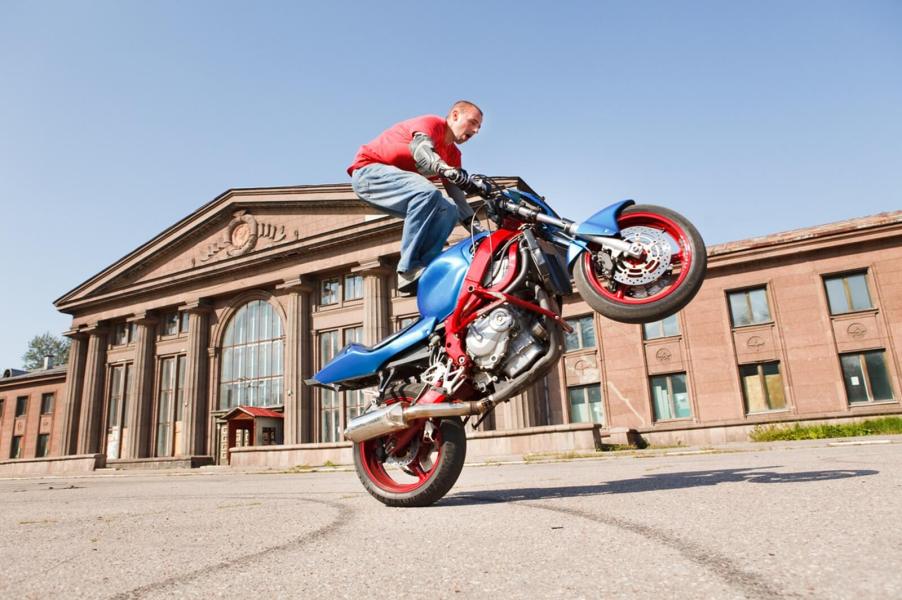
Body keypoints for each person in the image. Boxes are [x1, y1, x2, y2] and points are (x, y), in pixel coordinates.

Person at [347, 100, 484, 293]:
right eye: (473, 122)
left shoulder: (453, 154)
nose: (476, 130)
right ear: (455, 115)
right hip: (368, 174)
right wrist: (443, 168)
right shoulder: (433, 124)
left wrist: (479, 233)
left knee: (449, 209)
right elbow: (421, 150)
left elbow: (459, 200)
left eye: (479, 127)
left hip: (396, 186)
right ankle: (409, 269)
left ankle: (426, 266)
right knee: (427, 192)